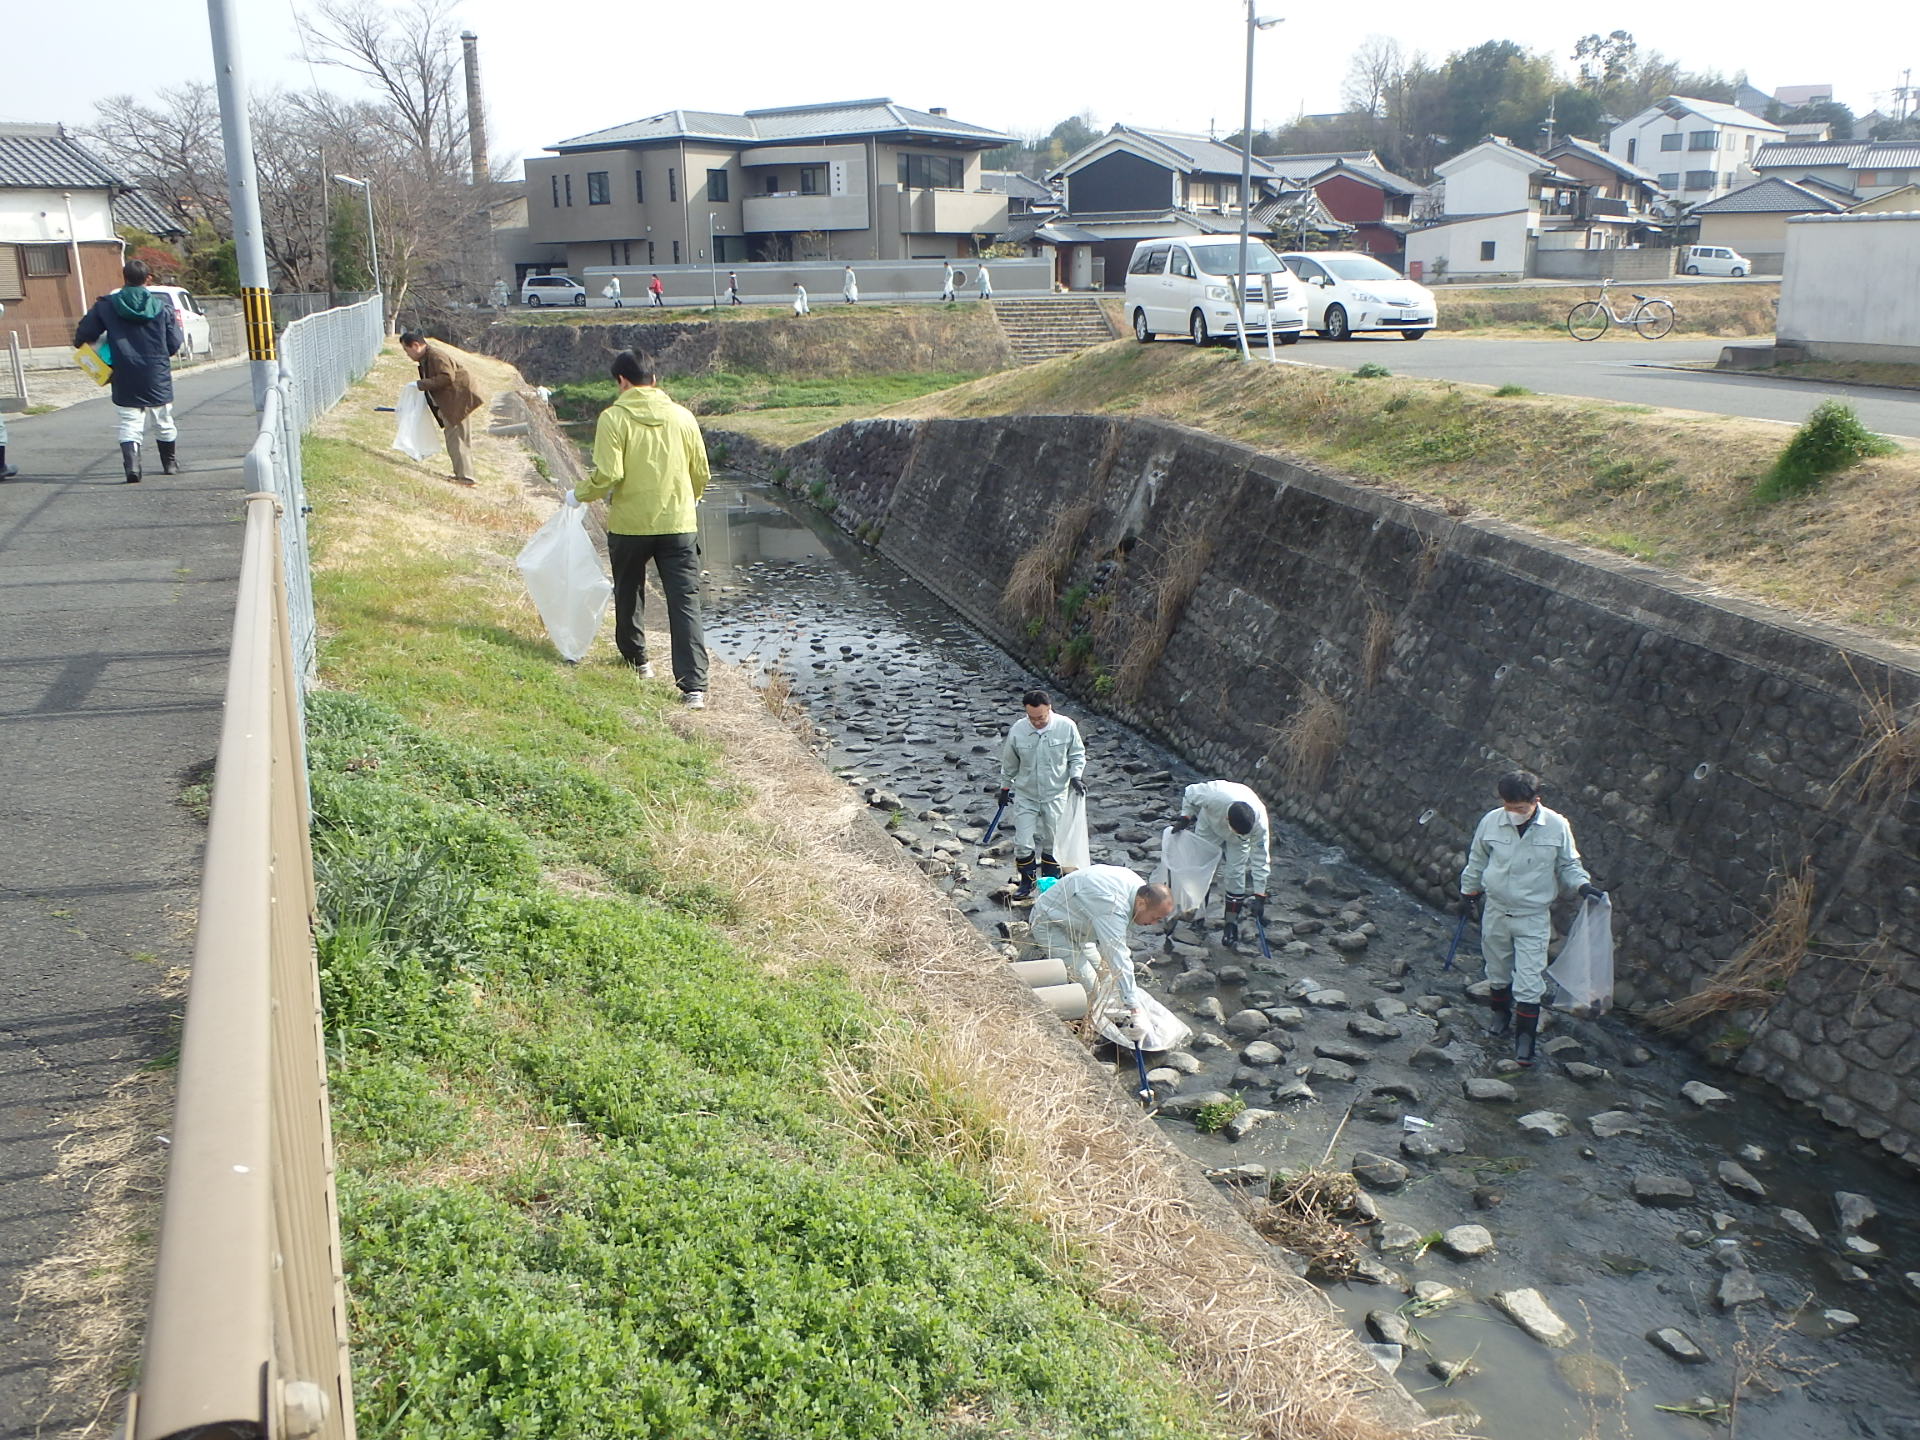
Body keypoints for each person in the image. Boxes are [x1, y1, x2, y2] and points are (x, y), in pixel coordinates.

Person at [574, 350, 711, 707]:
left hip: (630, 524)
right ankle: (694, 686)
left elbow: (609, 475)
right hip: (679, 523)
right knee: (684, 602)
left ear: (622, 381)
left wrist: (579, 494)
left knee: (629, 591)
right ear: (654, 378)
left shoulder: (613, 419)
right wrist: (689, 499)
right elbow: (702, 472)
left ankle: (639, 661)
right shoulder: (683, 417)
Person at [1459, 770, 1605, 1066]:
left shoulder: (1556, 826)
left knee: (1529, 981)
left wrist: (1583, 885)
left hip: (1532, 916)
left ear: (1535, 801)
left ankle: (1525, 1041)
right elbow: (1477, 859)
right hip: (1496, 911)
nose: (1513, 813)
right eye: (1508, 807)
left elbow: (1568, 865)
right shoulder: (1490, 821)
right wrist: (1468, 893)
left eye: (1520, 808)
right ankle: (1500, 1015)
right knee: (1497, 971)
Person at [73, 258, 183, 483]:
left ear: (124, 278)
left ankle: (132, 467)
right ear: (148, 279)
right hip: (156, 371)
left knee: (129, 420)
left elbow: (84, 334)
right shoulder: (162, 308)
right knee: (163, 418)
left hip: (123, 370)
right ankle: (169, 464)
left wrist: (94, 349)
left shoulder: (106, 305)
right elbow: (173, 343)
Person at [1030, 866, 1174, 1030]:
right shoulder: (1112, 905)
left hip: (1082, 927)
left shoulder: (1141, 891)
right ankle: (1082, 1025)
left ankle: (1108, 1020)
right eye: (1155, 918)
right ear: (1142, 903)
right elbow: (1117, 955)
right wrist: (1135, 1009)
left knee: (1107, 980)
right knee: (1092, 988)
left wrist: (1129, 1000)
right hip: (1050, 923)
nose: (1153, 924)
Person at [998, 688, 1086, 901]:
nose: (1037, 722)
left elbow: (1077, 755)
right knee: (1023, 842)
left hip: (1056, 794)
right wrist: (1004, 788)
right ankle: (1027, 883)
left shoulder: (1066, 727)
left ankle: (1050, 886)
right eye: (1032, 718)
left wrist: (1076, 777)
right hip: (1026, 794)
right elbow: (1010, 763)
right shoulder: (1018, 730)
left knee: (1053, 843)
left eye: (1041, 717)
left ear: (1049, 709)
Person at [1171, 779, 1272, 944]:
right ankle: (1198, 916)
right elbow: (1189, 792)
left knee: (1235, 873)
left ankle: (1231, 925)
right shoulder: (1213, 795)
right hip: (1210, 824)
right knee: (1201, 868)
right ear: (1227, 819)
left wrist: (1260, 895)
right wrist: (1186, 816)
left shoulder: (1260, 824)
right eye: (1238, 832)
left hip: (1238, 844)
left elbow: (1261, 858)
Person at [398, 330, 484, 486]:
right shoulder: (428, 357)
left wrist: (421, 384)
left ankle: (465, 477)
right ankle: (464, 475)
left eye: (406, 349)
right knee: (458, 438)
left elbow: (447, 376)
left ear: (416, 346)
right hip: (455, 401)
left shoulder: (435, 356)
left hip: (458, 401)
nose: (407, 354)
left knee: (456, 439)